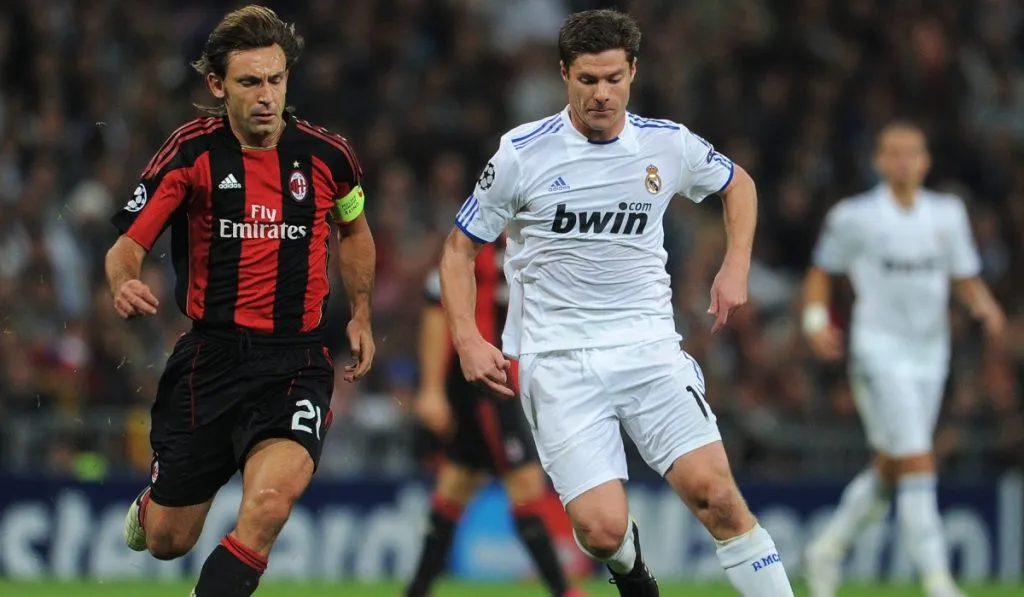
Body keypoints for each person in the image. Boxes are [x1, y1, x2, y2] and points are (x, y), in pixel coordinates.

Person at [438, 9, 795, 597]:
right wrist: (468, 339)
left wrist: (735, 265)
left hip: (649, 349)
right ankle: (630, 570)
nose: (601, 94)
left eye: (612, 78)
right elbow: (458, 250)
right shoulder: (521, 154)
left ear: (633, 71)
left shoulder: (667, 143)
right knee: (601, 530)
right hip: (558, 361)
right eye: (587, 80)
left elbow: (740, 185)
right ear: (564, 75)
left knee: (719, 497)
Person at [104, 6, 376, 597]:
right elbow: (127, 245)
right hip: (211, 362)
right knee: (168, 540)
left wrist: (361, 313)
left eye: (275, 79)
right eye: (250, 82)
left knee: (270, 503)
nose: (266, 96)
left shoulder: (329, 156)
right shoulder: (190, 153)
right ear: (217, 85)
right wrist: (124, 280)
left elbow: (354, 230)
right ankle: (154, 504)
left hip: (297, 362)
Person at [801, 121, 1006, 597]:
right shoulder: (855, 216)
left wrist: (984, 306)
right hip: (877, 350)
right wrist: (815, 321)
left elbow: (964, 276)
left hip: (930, 354)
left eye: (912, 153)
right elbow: (821, 270)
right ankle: (937, 581)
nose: (903, 162)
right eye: (893, 153)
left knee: (893, 465)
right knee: (917, 456)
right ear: (879, 161)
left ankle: (826, 549)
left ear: (925, 161)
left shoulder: (948, 214)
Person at [405, 241, 585, 597]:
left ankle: (415, 592)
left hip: (508, 383)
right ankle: (564, 592)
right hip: (487, 384)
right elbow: (436, 307)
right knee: (525, 482)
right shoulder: (473, 242)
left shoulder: (532, 240)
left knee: (456, 483)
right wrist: (431, 390)